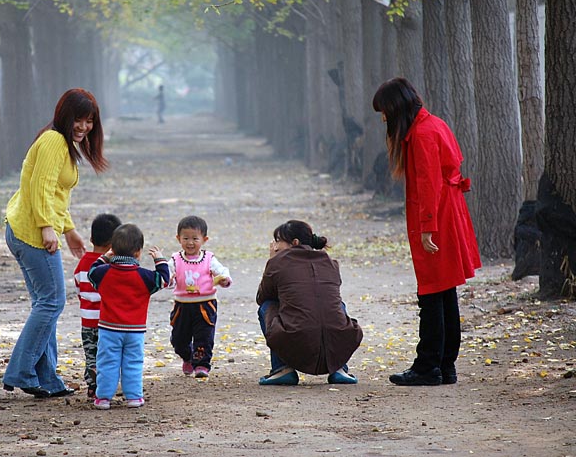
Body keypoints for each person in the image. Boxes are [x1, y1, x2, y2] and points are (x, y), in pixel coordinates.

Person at [372, 77, 481, 386]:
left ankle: (428, 365)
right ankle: (445, 364)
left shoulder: (421, 134)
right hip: (447, 214)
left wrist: (427, 228)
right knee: (445, 291)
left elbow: (429, 183)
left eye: (384, 112)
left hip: (436, 220)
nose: (383, 119)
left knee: (432, 292)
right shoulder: (434, 125)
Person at [2, 88, 108, 398]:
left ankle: (46, 379)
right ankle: (21, 371)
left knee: (45, 304)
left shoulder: (63, 143)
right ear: (64, 116)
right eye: (78, 119)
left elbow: (57, 195)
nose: (83, 127)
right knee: (52, 302)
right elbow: (41, 189)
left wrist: (69, 230)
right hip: (31, 232)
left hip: (28, 228)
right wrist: (48, 228)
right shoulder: (53, 141)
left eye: (89, 121)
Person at [256, 220, 362, 386]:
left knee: (267, 305)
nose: (274, 246)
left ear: (295, 243)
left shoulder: (278, 262)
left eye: (278, 241)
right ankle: (340, 368)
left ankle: (282, 369)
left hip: (296, 340)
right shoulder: (331, 263)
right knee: (336, 305)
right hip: (339, 339)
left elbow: (262, 297)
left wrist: (271, 261)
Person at [88, 224, 169, 409]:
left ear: (113, 250)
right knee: (133, 362)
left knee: (107, 362)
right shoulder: (145, 277)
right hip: (135, 330)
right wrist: (160, 260)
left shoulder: (103, 273)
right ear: (138, 253)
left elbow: (91, 273)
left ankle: (103, 398)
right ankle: (133, 397)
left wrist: (103, 258)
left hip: (108, 329)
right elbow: (164, 279)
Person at [167, 215, 232, 378]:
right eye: (186, 238)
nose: (190, 243)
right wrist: (168, 280)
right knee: (178, 339)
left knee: (204, 336)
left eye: (195, 238)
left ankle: (202, 365)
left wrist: (224, 279)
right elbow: (167, 277)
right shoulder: (175, 259)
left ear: (204, 239)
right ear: (178, 238)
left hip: (205, 304)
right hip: (182, 305)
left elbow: (222, 271)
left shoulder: (209, 258)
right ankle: (188, 356)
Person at [73, 213, 122, 398]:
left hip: (87, 322)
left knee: (91, 354)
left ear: (92, 238)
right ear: (115, 243)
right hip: (107, 322)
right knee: (107, 355)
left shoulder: (83, 263)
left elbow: (79, 287)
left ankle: (92, 386)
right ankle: (105, 385)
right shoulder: (111, 266)